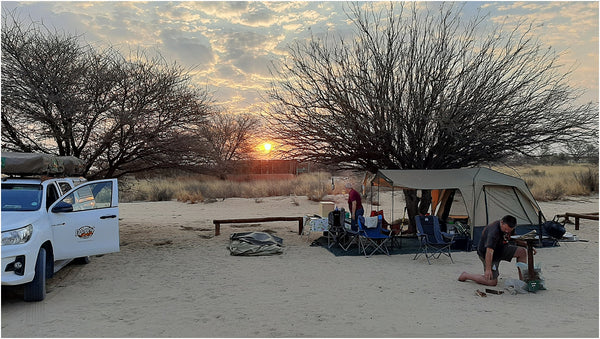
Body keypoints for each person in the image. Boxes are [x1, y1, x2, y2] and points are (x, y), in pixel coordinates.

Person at [458, 215, 532, 286]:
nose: (506, 231)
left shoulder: (509, 227)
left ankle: (524, 281)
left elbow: (513, 237)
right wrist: (488, 269)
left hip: (501, 249)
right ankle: (466, 275)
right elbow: (489, 252)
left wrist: (528, 245)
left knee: (522, 252)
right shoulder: (493, 232)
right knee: (492, 282)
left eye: (509, 230)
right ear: (501, 222)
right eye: (505, 229)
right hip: (487, 254)